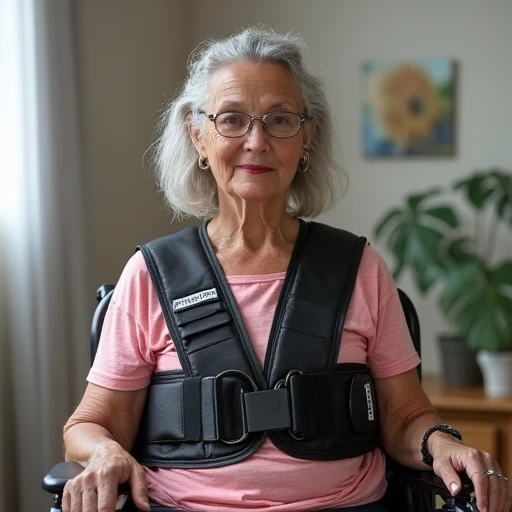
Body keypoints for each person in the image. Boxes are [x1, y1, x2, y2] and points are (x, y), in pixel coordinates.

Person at [62, 27, 511, 512]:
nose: (256, 141)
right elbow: (90, 425)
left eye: (280, 120)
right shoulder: (150, 275)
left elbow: (405, 416)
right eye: (232, 119)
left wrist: (444, 443)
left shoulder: (358, 269)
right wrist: (105, 450)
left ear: (306, 138)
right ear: (198, 136)